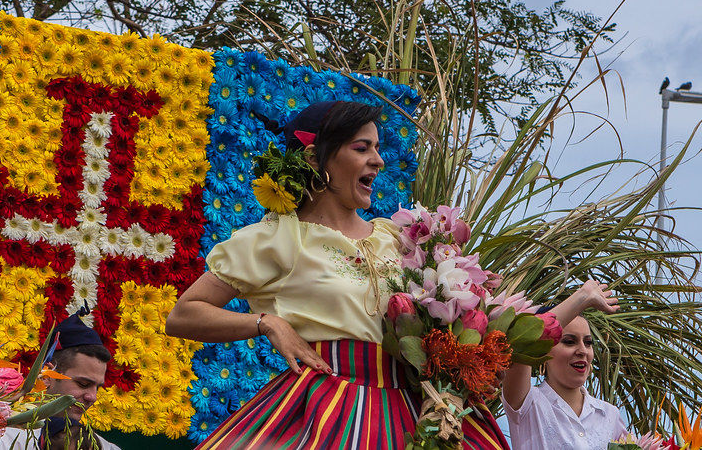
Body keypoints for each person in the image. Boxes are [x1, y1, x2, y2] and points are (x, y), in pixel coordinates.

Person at [165, 101, 509, 449]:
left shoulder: (396, 237)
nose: (378, 160)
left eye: (377, 148)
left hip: (414, 405)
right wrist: (267, 323)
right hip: (328, 412)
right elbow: (183, 314)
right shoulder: (278, 238)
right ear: (314, 158)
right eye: (362, 148)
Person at [502, 281, 624, 450]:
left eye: (588, 343)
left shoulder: (609, 415)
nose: (582, 350)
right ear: (543, 351)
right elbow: (524, 342)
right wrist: (582, 296)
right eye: (569, 341)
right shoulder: (526, 404)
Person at [0, 309, 120, 450]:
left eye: (97, 387)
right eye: (83, 384)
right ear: (47, 375)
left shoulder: (106, 448)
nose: (93, 397)